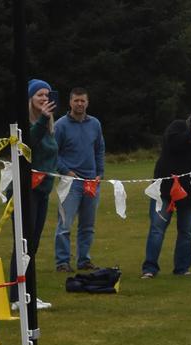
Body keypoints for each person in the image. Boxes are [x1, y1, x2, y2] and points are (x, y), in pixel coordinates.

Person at [141, 103, 191, 278]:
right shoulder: (178, 126)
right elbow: (174, 145)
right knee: (157, 229)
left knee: (186, 231)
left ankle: (182, 268)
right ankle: (149, 269)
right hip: (166, 188)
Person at [9, 79, 59, 311]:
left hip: (42, 190)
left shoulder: (48, 125)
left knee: (33, 245)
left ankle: (28, 293)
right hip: (25, 190)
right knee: (23, 243)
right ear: (30, 98)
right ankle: (17, 296)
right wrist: (42, 120)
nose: (44, 99)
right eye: (40, 94)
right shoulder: (26, 124)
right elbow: (27, 145)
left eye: (47, 95)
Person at [53, 87, 105, 272]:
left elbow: (99, 149)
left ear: (87, 102)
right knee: (65, 224)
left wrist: (100, 172)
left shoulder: (95, 124)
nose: (80, 104)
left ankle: (84, 260)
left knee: (87, 226)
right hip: (70, 183)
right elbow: (53, 152)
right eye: (76, 100)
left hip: (92, 181)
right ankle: (62, 262)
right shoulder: (60, 125)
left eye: (83, 100)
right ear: (70, 102)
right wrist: (65, 171)